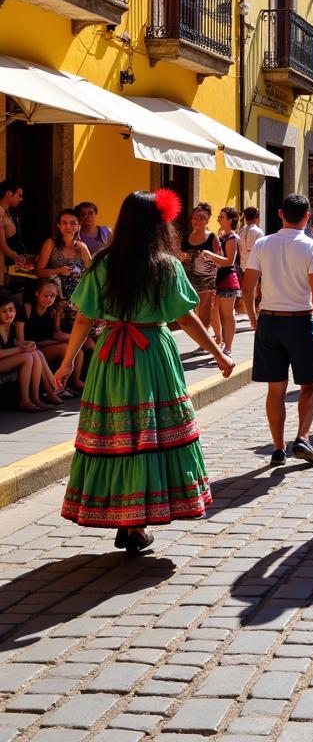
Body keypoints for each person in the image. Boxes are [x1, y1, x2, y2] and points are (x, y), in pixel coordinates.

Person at [55, 190, 233, 553]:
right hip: (153, 355)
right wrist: (218, 354)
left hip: (110, 358)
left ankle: (127, 518)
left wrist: (68, 361)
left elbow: (86, 317)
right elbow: (186, 317)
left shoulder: (104, 262)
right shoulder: (165, 265)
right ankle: (136, 524)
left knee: (118, 434)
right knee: (150, 433)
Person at [242, 194, 313, 468]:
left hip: (269, 320)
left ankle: (278, 448)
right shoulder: (312, 248)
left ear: (280, 214)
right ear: (307, 216)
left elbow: (247, 288)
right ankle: (302, 437)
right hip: (301, 320)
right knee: (310, 384)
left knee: (275, 388)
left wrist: (255, 321)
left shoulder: (263, 244)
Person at [21, 276, 85, 394]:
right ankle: (58, 387)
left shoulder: (52, 310)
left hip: (47, 346)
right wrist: (55, 342)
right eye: (46, 296)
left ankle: (75, 382)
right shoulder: (28, 308)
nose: (49, 299)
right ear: (37, 293)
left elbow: (55, 333)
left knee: (77, 350)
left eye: (52, 296)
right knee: (64, 348)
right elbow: (24, 340)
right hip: (34, 348)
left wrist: (74, 337)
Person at [0, 292, 60, 411]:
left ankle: (37, 397)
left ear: (15, 311)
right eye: (4, 311)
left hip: (5, 361)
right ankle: (27, 400)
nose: (9, 314)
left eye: (11, 310)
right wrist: (21, 349)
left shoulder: (10, 326)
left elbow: (13, 343)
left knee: (35, 352)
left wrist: (24, 344)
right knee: (27, 356)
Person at [203, 208, 241, 356]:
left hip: (227, 278)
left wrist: (211, 255)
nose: (218, 218)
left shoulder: (231, 238)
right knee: (214, 312)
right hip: (217, 278)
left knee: (227, 314)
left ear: (230, 220)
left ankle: (228, 347)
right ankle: (219, 340)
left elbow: (229, 261)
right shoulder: (223, 236)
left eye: (222, 216)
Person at [35, 210, 92, 306]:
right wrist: (59, 270)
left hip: (78, 299)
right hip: (54, 299)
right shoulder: (51, 243)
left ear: (79, 226)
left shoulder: (82, 246)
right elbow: (38, 272)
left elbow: (91, 271)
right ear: (58, 225)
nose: (68, 227)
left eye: (73, 223)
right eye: (64, 223)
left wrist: (83, 247)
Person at [181, 204, 220, 333]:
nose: (196, 221)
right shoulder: (186, 238)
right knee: (194, 307)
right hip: (189, 277)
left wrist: (210, 259)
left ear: (206, 220)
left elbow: (219, 259)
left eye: (200, 218)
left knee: (204, 308)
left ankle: (204, 337)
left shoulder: (212, 237)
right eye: (194, 218)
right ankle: (202, 336)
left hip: (206, 278)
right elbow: (180, 256)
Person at [0, 181, 31, 274]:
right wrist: (16, 258)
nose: (21, 199)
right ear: (9, 193)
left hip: (17, 268)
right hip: (7, 270)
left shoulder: (10, 213)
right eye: (19, 195)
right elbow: (1, 244)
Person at [238, 207, 264, 272]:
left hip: (242, 266)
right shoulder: (258, 232)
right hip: (255, 267)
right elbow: (261, 252)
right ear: (256, 217)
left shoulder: (241, 231)